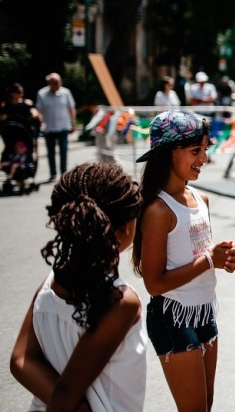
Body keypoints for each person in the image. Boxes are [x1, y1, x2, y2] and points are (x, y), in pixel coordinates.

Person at [11, 163, 146, 410]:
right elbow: (66, 394)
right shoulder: (120, 301)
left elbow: (21, 359)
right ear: (127, 227)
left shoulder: (51, 281)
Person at [132, 110, 235, 410]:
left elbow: (200, 257)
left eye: (205, 149)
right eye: (196, 150)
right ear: (167, 152)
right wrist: (210, 261)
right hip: (172, 317)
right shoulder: (158, 210)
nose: (204, 158)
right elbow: (154, 284)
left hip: (204, 311)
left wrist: (224, 258)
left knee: (204, 406)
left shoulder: (201, 199)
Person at [35, 73, 76, 181]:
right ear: (49, 84)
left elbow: (71, 108)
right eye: (55, 83)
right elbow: (39, 110)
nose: (58, 85)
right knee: (51, 152)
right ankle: (53, 173)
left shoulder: (66, 92)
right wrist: (40, 121)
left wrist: (73, 123)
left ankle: (64, 172)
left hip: (63, 127)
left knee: (63, 150)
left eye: (59, 82)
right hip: (49, 128)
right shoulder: (42, 94)